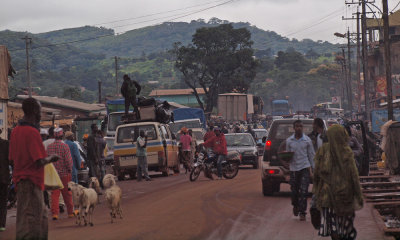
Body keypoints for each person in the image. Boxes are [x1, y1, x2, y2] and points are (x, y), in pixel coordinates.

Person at [9, 97, 59, 240]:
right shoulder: (32, 132)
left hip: (22, 181)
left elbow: (12, 159)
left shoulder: (16, 131)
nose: (40, 114)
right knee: (32, 221)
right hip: (31, 182)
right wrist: (52, 158)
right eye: (39, 110)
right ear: (33, 111)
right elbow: (39, 161)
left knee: (35, 218)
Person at [313, 124, 363, 240]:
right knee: (344, 225)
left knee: (333, 226)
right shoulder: (346, 152)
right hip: (344, 196)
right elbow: (354, 176)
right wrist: (358, 195)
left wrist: (316, 192)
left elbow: (317, 174)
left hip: (327, 197)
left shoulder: (323, 151)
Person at [285, 120, 315, 221]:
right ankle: (295, 205)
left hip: (304, 168)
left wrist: (313, 169)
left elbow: (311, 155)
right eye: (297, 126)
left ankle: (303, 212)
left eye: (301, 126)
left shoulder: (307, 140)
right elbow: (287, 156)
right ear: (294, 128)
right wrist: (287, 168)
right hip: (293, 169)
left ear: (303, 128)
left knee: (304, 191)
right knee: (294, 191)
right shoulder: (289, 141)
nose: (299, 128)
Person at [46, 128, 74, 220]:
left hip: (54, 174)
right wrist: (70, 170)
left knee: (54, 194)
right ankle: (70, 212)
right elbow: (68, 161)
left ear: (54, 136)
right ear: (62, 136)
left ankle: (55, 213)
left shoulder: (49, 147)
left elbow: (47, 161)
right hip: (65, 174)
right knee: (67, 194)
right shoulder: (65, 146)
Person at [0, 129, 9, 232]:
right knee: (2, 201)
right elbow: (11, 160)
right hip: (3, 178)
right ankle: (1, 224)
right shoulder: (6, 144)